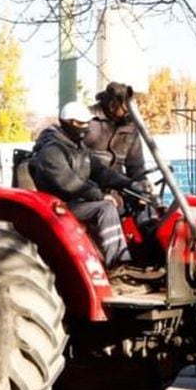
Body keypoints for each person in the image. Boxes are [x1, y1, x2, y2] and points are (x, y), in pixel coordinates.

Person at [31, 102, 146, 271]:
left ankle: (147, 258)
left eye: (87, 123)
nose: (85, 128)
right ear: (67, 122)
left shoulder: (79, 149)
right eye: (80, 123)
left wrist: (130, 184)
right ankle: (118, 265)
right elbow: (68, 183)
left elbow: (101, 172)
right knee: (106, 208)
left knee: (135, 203)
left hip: (79, 202)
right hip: (61, 206)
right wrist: (100, 195)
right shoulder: (52, 151)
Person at [85, 81, 146, 179]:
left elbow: (136, 167)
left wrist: (142, 183)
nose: (129, 114)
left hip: (118, 185)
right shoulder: (85, 119)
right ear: (112, 105)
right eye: (126, 110)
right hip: (87, 184)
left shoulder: (130, 128)